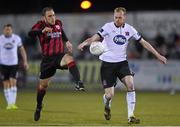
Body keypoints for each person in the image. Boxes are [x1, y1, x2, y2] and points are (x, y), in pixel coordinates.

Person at [78, 7, 167, 124]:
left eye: (120, 17)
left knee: (130, 84)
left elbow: (144, 43)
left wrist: (158, 55)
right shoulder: (108, 27)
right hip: (107, 64)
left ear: (124, 17)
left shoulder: (130, 29)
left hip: (122, 63)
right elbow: (95, 37)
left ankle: (131, 116)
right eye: (116, 17)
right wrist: (85, 43)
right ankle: (107, 103)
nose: (117, 19)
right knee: (109, 95)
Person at [28, 7, 85, 121]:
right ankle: (39, 106)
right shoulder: (40, 25)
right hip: (47, 61)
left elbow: (61, 32)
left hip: (59, 56)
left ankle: (78, 82)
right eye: (49, 16)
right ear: (44, 17)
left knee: (69, 58)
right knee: (43, 86)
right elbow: (30, 33)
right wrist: (41, 31)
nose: (53, 18)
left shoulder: (58, 23)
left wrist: (67, 41)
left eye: (53, 15)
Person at [0, 24, 29, 110]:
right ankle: (9, 104)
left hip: (14, 64)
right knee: (6, 83)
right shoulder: (0, 39)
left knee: (13, 81)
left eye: (9, 29)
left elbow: (22, 50)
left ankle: (13, 103)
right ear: (3, 30)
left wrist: (25, 61)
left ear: (12, 30)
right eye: (6, 29)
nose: (7, 31)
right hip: (3, 64)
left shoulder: (16, 38)